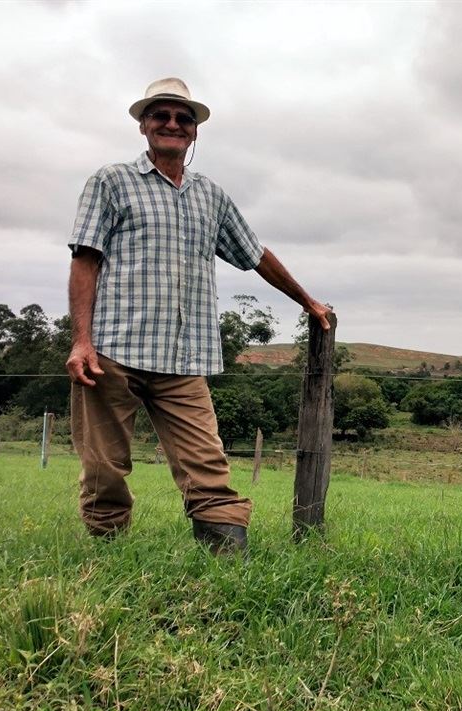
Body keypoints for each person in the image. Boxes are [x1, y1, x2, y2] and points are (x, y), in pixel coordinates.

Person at [65, 77, 330, 553]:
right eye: (160, 115)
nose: (171, 123)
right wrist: (81, 342)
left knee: (208, 466)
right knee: (105, 467)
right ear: (144, 125)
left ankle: (228, 563)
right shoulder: (111, 181)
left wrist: (305, 300)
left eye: (182, 117)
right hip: (113, 353)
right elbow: (85, 259)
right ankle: (107, 555)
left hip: (185, 359)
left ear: (194, 132)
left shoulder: (212, 195)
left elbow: (255, 253)